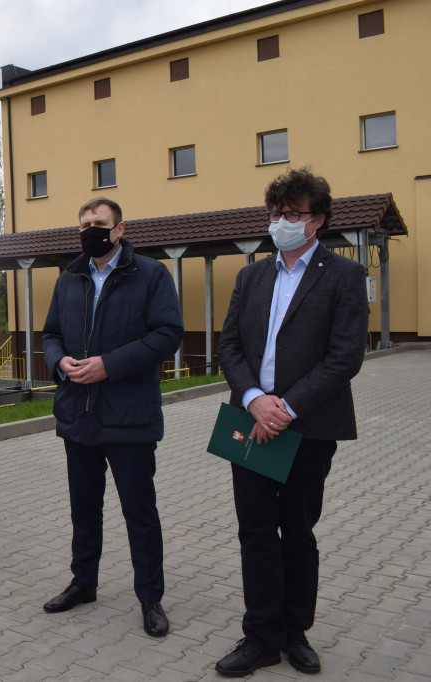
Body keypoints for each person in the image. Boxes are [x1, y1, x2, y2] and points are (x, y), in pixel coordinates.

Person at [214, 168, 368, 677]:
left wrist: (285, 408)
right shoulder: (252, 274)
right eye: (276, 213)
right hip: (249, 421)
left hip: (309, 425)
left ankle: (295, 631)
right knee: (255, 531)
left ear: (317, 220)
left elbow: (345, 356)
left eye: (293, 214)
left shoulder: (343, 275)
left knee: (297, 530)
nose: (282, 221)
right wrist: (256, 399)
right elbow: (229, 345)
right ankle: (259, 636)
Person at [41, 197, 183, 637]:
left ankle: (150, 598)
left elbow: (167, 335)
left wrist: (109, 365)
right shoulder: (69, 278)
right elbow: (50, 334)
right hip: (78, 415)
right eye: (84, 224)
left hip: (129, 417)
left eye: (99, 224)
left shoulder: (152, 274)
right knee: (84, 510)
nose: (91, 231)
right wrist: (59, 361)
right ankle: (83, 583)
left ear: (120, 229)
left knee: (139, 513)